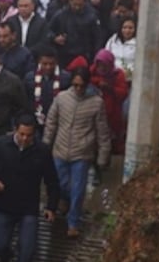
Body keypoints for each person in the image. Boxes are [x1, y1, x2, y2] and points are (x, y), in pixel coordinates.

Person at [0, 115, 60, 262]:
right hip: (3, 204)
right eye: (22, 134)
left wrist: (51, 207)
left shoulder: (42, 152)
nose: (25, 139)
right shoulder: (0, 145)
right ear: (15, 131)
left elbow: (52, 181)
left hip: (28, 208)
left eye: (29, 135)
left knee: (27, 250)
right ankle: (5, 258)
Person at [43, 67, 112, 238]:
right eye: (75, 85)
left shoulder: (96, 103)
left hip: (82, 152)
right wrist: (45, 146)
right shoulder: (61, 99)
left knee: (78, 189)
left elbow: (102, 131)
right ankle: (65, 201)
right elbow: (51, 122)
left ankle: (73, 221)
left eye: (82, 85)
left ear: (87, 84)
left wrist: (103, 155)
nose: (79, 89)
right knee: (61, 184)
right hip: (60, 149)